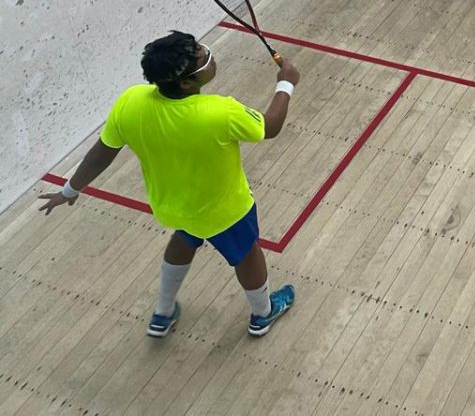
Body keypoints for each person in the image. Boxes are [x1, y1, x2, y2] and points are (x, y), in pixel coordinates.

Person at [38, 31, 299, 338]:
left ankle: (162, 312)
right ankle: (263, 313)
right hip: (224, 211)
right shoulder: (219, 112)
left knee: (184, 238)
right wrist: (287, 83)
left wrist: (70, 190)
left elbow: (102, 153)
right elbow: (269, 127)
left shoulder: (131, 101)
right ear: (187, 82)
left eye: (199, 47)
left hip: (172, 207)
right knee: (247, 254)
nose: (207, 53)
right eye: (201, 57)